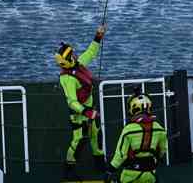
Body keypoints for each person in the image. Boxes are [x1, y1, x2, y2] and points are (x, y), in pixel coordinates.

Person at [56, 24, 108, 176]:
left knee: (95, 135)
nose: (75, 56)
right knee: (78, 141)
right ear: (64, 62)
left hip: (90, 108)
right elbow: (72, 102)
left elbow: (91, 52)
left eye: (73, 54)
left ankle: (99, 164)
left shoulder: (78, 65)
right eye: (71, 56)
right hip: (79, 114)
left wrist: (98, 36)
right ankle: (69, 168)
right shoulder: (67, 78)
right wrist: (86, 111)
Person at [106, 90, 168, 183]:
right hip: (150, 174)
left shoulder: (128, 130)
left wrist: (110, 170)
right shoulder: (160, 129)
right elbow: (162, 150)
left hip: (130, 175)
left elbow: (121, 155)